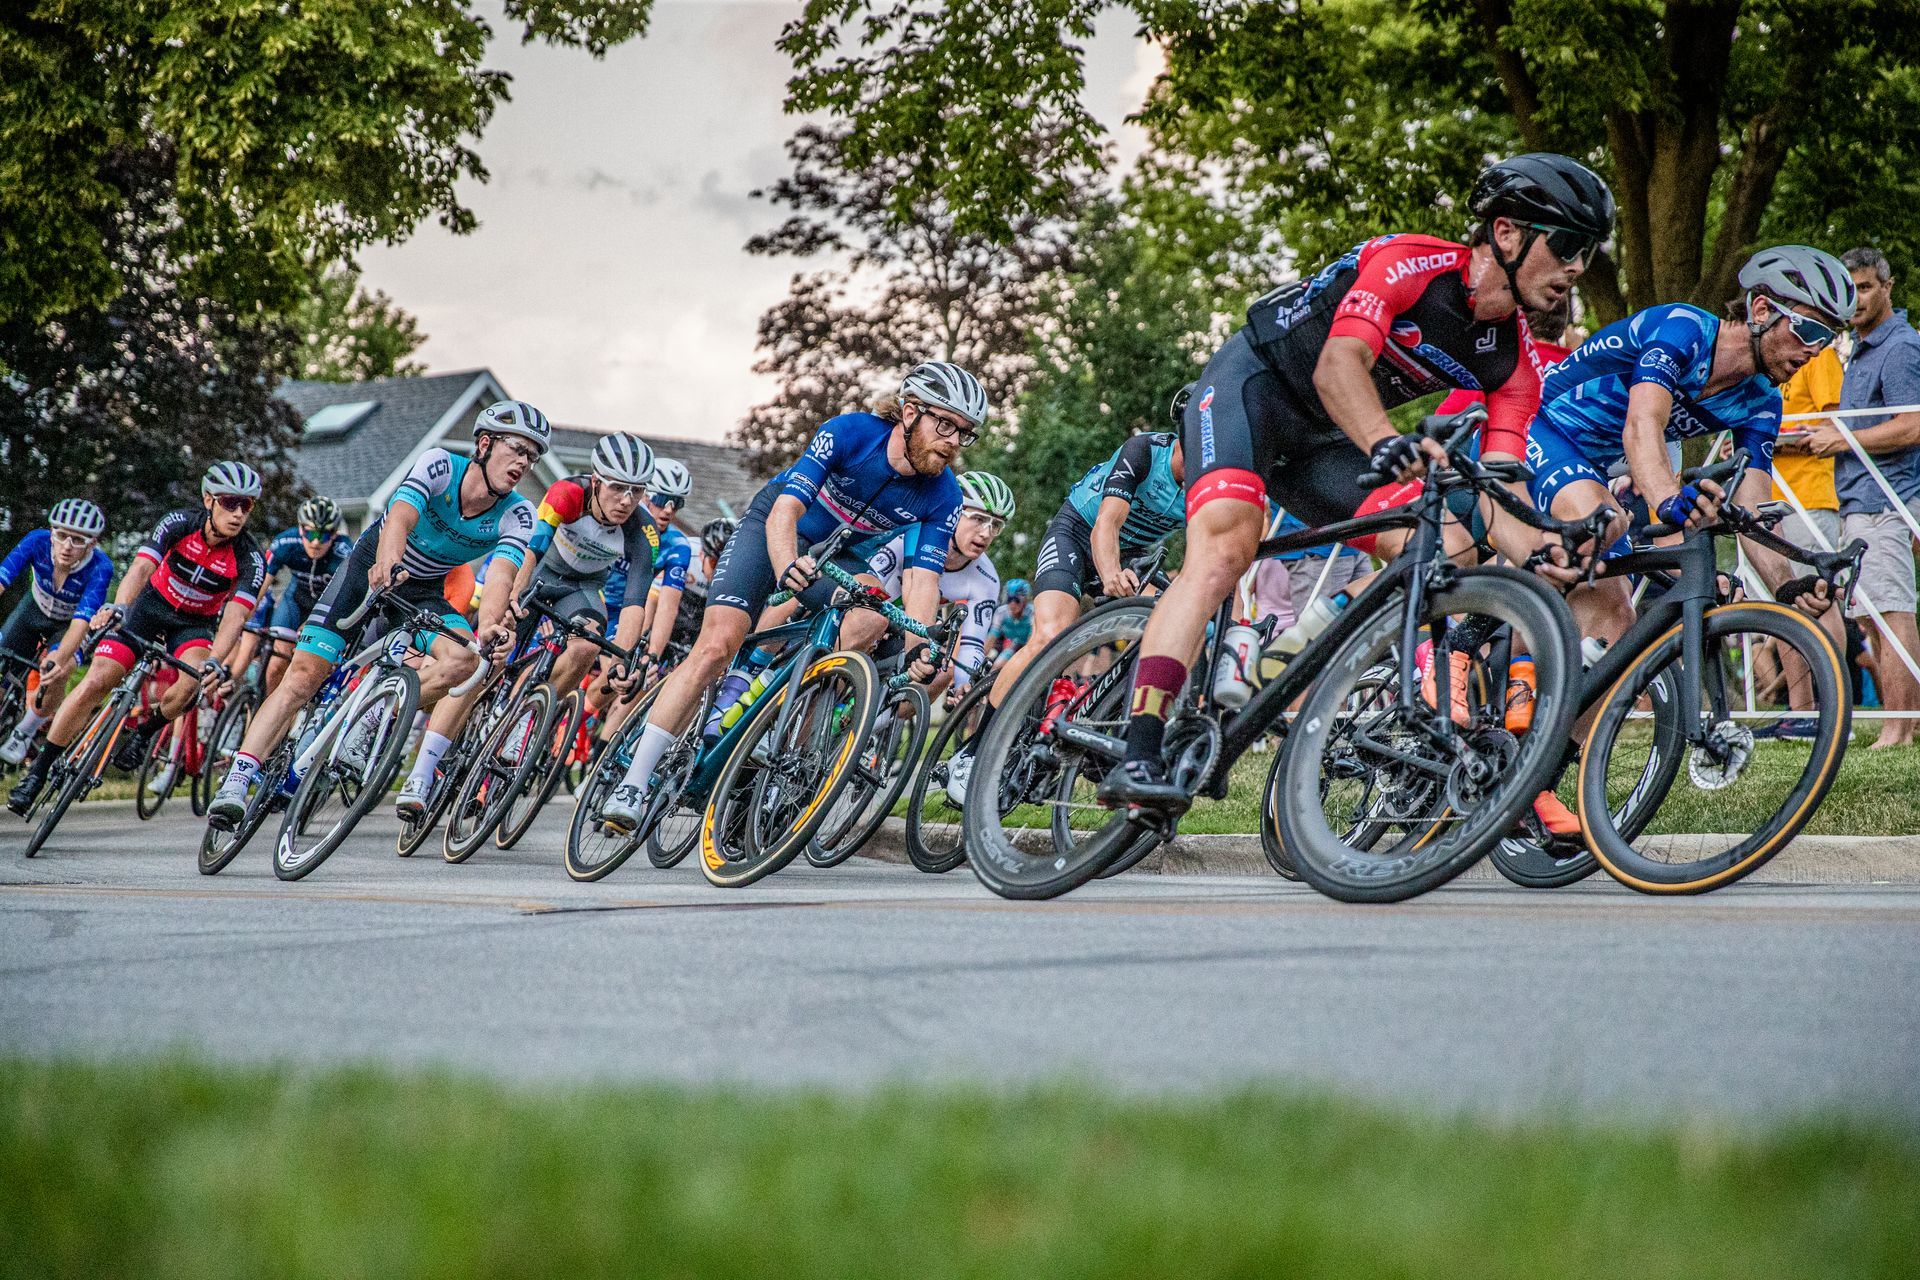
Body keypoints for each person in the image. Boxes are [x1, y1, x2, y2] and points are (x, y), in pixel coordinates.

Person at [1102, 153, 1614, 812]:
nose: (1577, 268)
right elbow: (1338, 366)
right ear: (1508, 233)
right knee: (1226, 548)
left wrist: (1545, 554)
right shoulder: (1412, 264)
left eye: (1589, 253)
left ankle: (1327, 686)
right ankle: (1139, 747)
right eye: (1568, 245)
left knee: (1444, 547)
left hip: (1323, 441)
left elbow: (1501, 487)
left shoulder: (1510, 360)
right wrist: (1383, 442)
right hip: (1254, 390)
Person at [597, 361, 982, 832]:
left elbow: (922, 580)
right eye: (945, 424)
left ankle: (782, 716)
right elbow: (786, 509)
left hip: (841, 556)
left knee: (876, 618)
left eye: (965, 433)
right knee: (718, 643)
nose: (953, 441)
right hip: (776, 530)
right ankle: (634, 782)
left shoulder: (943, 495)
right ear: (909, 412)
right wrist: (785, 567)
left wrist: (920, 645)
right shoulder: (851, 433)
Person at [205, 401, 546, 827]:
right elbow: (400, 518)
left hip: (423, 590)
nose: (523, 462)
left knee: (466, 661)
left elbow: (499, 575)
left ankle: (377, 713)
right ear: (484, 443)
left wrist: (493, 624)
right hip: (370, 566)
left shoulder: (518, 513)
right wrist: (386, 562)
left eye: (532, 456)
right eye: (516, 449)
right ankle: (239, 778)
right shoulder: (441, 465)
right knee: (304, 675)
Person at [9, 464, 266, 814]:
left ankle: (145, 733)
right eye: (229, 502)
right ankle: (37, 774)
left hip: (193, 624)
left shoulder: (249, 557)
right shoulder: (178, 523)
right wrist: (119, 606)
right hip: (148, 607)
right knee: (96, 680)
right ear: (209, 499)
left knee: (190, 685)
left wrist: (216, 661)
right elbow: (142, 568)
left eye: (246, 506)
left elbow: (236, 616)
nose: (237, 513)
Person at [451, 432, 660, 793]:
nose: (627, 500)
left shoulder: (643, 529)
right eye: (617, 487)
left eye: (637, 491)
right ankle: (462, 725)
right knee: (499, 645)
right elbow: (532, 550)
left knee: (588, 646)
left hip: (581, 588)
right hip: (540, 573)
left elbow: (635, 602)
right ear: (596, 481)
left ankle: (526, 722)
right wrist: (513, 602)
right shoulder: (567, 493)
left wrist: (623, 659)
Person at [1803, 247, 1920, 748]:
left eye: (1866, 287)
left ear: (1888, 287)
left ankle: (1898, 730)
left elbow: (1913, 424)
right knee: (1873, 617)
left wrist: (1842, 439)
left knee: (1893, 615)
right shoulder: (1859, 348)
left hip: (1888, 501)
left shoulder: (1900, 347)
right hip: (1859, 501)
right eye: (1848, 290)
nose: (1856, 300)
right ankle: (1898, 724)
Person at [1758, 336, 1849, 739]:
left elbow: (1833, 428)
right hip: (1768, 500)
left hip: (1810, 498)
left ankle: (1833, 709)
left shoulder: (1822, 356)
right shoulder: (1768, 369)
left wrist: (1769, 438)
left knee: (1819, 598)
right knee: (1786, 600)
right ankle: (1802, 713)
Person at [861, 471, 1012, 705]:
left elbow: (972, 643)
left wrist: (964, 684)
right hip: (876, 615)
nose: (986, 533)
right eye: (979, 519)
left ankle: (878, 725)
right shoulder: (914, 533)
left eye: (996, 525)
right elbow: (867, 581)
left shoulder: (986, 579)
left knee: (945, 668)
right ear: (954, 513)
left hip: (911, 632)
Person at [0, 499, 115, 766]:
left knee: (57, 671)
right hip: (34, 609)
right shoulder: (37, 541)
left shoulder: (100, 567)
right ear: (52, 532)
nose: (67, 546)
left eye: (78, 540)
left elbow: (80, 624)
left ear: (92, 543)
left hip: (69, 624)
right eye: (61, 535)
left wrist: (58, 658)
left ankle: (25, 731)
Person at [253, 496, 353, 693]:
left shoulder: (345, 552)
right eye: (310, 533)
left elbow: (346, 597)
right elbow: (260, 584)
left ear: (334, 535)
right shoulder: (286, 542)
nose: (315, 542)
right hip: (295, 602)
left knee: (308, 669)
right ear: (300, 529)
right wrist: (246, 612)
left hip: (326, 608)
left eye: (323, 536)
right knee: (275, 667)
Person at [637, 456, 695, 677]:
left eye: (677, 503)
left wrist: (652, 657)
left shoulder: (678, 545)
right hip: (599, 601)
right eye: (662, 499)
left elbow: (667, 607)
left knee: (635, 680)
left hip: (630, 612)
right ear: (645, 495)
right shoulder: (622, 523)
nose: (669, 510)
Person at [987, 579, 1032, 661]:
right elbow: (991, 638)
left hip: (1028, 647)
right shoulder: (1001, 612)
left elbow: (1032, 642)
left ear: (1025, 600)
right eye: (1009, 599)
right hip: (1011, 645)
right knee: (997, 663)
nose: (1012, 604)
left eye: (1017, 600)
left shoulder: (1032, 613)